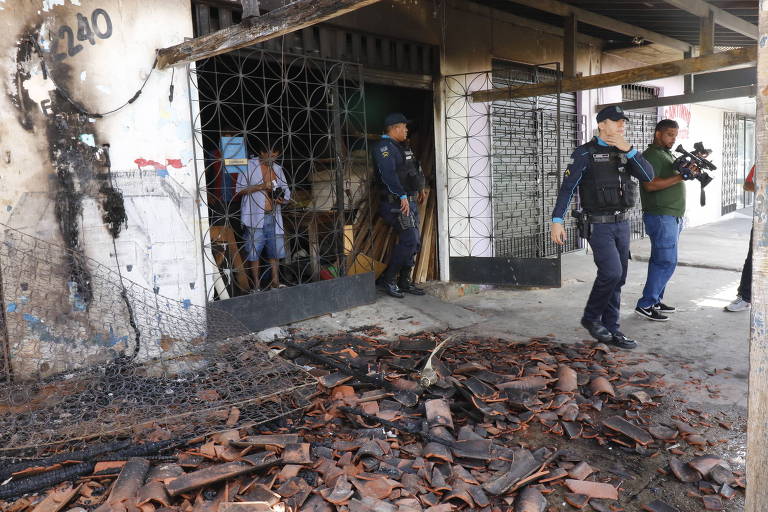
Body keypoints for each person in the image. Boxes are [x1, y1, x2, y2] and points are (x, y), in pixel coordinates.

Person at [551, 105, 654, 349]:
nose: (621, 126)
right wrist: (557, 221)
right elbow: (568, 188)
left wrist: (629, 150)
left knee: (618, 279)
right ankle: (591, 317)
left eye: (623, 122)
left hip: (622, 224)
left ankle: (612, 330)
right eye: (616, 121)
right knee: (611, 273)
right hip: (598, 225)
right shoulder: (585, 153)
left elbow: (648, 176)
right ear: (601, 124)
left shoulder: (624, 152)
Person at [634, 119, 691, 321]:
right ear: (658, 134)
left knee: (662, 259)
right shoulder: (651, 156)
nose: (673, 139)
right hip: (661, 215)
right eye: (669, 135)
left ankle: (655, 299)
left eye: (675, 135)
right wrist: (681, 177)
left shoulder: (666, 154)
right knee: (666, 260)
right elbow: (650, 185)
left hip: (671, 216)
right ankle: (646, 304)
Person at [372, 112, 428, 298]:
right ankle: (389, 280)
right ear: (395, 128)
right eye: (404, 127)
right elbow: (388, 175)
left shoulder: (401, 146)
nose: (406, 130)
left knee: (415, 243)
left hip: (408, 202)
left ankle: (404, 281)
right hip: (395, 203)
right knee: (409, 240)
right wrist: (401, 195)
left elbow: (411, 169)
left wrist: (420, 188)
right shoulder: (384, 148)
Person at [234, 147, 291, 291]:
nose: (272, 158)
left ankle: (275, 282)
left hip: (273, 215)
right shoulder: (248, 166)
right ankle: (257, 285)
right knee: (253, 252)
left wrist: (282, 199)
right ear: (261, 152)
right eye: (269, 154)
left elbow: (286, 191)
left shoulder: (277, 169)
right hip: (254, 216)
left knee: (275, 251)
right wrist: (261, 186)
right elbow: (240, 190)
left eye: (275, 155)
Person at [725, 164, 755, 312]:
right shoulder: (762, 161)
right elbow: (747, 185)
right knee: (753, 259)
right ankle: (745, 297)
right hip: (763, 221)